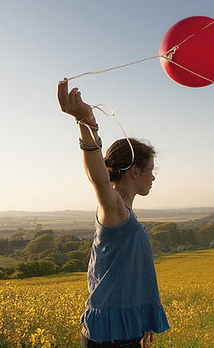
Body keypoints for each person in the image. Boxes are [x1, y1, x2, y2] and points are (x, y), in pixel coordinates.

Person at [57, 78, 170, 348]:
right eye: (150, 170)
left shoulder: (125, 211)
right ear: (134, 171)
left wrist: (141, 322)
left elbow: (131, 276)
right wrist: (87, 122)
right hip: (109, 337)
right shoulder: (114, 207)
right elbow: (97, 177)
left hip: (123, 332)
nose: (153, 178)